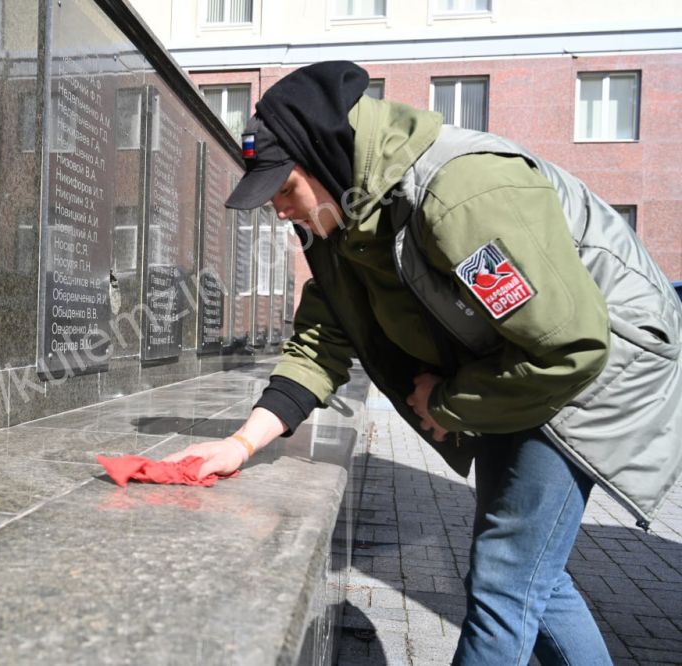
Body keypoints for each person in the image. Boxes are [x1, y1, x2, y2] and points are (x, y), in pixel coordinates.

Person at [163, 61, 682, 665]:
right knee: (529, 576)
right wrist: (241, 445)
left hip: (589, 370)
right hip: (509, 366)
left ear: (328, 158)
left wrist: (445, 402)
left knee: (503, 589)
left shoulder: (461, 194)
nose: (280, 211)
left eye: (285, 190)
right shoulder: (337, 225)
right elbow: (319, 344)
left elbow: (568, 346)